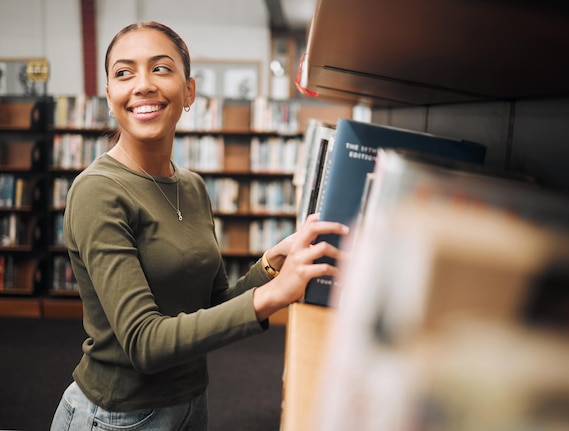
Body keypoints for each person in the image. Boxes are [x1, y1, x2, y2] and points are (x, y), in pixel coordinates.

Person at [50, 21, 348, 430]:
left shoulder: (191, 186)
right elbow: (144, 342)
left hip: (190, 403)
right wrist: (275, 294)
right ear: (109, 96)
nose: (142, 85)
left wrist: (271, 265)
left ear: (188, 91)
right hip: (116, 415)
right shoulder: (97, 191)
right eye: (124, 72)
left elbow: (209, 308)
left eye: (160, 68)